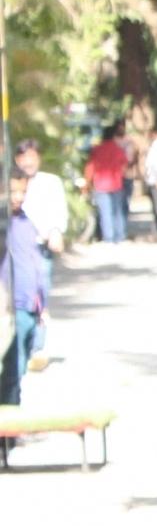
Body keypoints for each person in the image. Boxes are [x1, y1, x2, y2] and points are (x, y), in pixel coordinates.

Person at [16, 141, 65, 373]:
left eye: (32, 156)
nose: (28, 162)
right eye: (24, 157)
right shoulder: (12, 182)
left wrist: (56, 232)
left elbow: (59, 211)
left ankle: (36, 348)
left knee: (39, 295)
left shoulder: (50, 182)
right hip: (16, 251)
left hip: (40, 248)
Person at [2, 170, 50, 407]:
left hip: (31, 303)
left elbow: (36, 264)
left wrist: (42, 304)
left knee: (19, 370)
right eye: (13, 191)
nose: (18, 197)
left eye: (23, 192)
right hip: (11, 306)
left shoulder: (26, 222)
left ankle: (12, 413)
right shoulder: (4, 224)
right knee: (13, 366)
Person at [87, 126, 128, 244]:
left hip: (100, 184)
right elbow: (124, 165)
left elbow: (91, 166)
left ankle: (108, 237)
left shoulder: (97, 149)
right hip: (116, 183)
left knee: (105, 212)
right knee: (117, 211)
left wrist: (88, 181)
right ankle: (119, 236)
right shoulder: (118, 149)